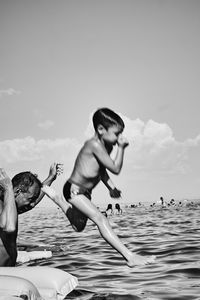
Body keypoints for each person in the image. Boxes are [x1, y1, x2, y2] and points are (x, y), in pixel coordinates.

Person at [43, 108, 155, 267]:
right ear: (101, 129)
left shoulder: (107, 147)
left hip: (85, 191)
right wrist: (122, 148)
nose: (120, 138)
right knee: (100, 218)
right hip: (74, 191)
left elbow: (101, 171)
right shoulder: (94, 145)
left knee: (79, 226)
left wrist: (111, 188)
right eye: (117, 133)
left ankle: (58, 199)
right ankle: (129, 256)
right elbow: (115, 168)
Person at [0, 163, 62, 266]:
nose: (33, 204)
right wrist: (8, 188)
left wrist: (50, 178)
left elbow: (31, 204)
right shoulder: (3, 206)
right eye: (30, 199)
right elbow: (9, 227)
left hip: (7, 271)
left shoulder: (11, 208)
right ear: (17, 191)